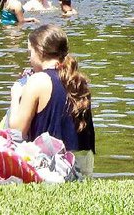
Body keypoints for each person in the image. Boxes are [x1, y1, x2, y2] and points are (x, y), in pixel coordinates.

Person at [8, 25, 96, 176]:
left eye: (30, 52)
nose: (29, 59)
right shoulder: (77, 79)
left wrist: (15, 95)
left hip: (52, 166)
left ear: (40, 51)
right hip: (83, 166)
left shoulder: (38, 80)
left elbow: (16, 132)